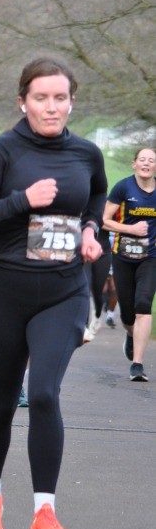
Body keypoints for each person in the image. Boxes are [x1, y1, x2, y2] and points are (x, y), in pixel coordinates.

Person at [0, 57, 106, 529]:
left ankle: (45, 512)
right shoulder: (4, 150)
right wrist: (23, 200)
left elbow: (96, 196)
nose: (51, 107)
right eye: (41, 98)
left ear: (72, 102)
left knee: (43, 393)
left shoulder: (86, 153)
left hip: (64, 291)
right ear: (22, 101)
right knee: (2, 402)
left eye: (60, 98)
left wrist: (90, 230)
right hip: (5, 292)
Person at [103, 146, 156, 382]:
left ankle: (137, 364)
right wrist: (130, 229)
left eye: (151, 160)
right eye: (142, 159)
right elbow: (104, 221)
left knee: (143, 304)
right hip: (123, 256)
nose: (146, 163)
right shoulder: (123, 187)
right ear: (134, 164)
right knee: (127, 314)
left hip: (151, 257)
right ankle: (132, 335)